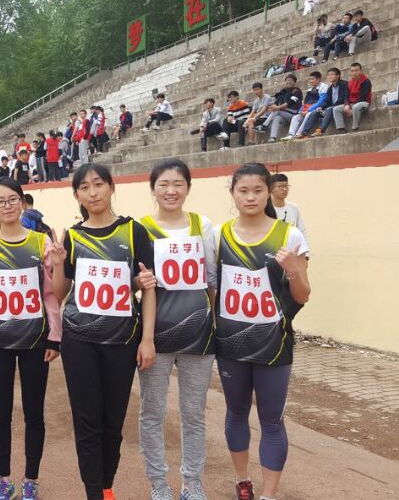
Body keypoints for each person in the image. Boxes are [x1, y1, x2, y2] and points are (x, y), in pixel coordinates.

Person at [55, 163, 156, 500]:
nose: (93, 192)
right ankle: (94, 493)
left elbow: (147, 287)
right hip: (79, 340)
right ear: (77, 195)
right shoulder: (72, 236)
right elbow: (59, 293)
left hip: (121, 339)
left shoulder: (133, 231)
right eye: (84, 187)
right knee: (87, 421)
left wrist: (147, 339)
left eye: (98, 184)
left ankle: (106, 485)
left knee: (113, 422)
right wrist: (57, 263)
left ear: (112, 187)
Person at [214, 163, 311, 500]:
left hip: (274, 345)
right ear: (233, 194)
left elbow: (303, 295)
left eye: (258, 190)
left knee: (271, 420)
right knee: (236, 413)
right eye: (243, 191)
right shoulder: (219, 235)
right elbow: (212, 289)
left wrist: (293, 270)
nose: (251, 197)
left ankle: (269, 494)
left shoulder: (289, 235)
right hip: (230, 344)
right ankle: (242, 481)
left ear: (269, 192)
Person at [0, 177, 62, 500]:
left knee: (34, 413)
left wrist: (55, 337)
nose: (7, 206)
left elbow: (50, 294)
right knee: (0, 412)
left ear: (23, 202)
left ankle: (31, 479)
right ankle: (3, 480)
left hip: (35, 340)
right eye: (0, 201)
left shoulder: (41, 243)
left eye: (12, 200)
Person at [136, 160, 218, 500]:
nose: (171, 191)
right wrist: (146, 338)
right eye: (164, 184)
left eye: (178, 184)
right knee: (152, 412)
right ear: (153, 189)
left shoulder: (202, 225)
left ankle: (192, 482)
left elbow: (211, 280)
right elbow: (138, 285)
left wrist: (213, 321)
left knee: (193, 414)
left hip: (199, 336)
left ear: (188, 188)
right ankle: (159, 484)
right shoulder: (140, 229)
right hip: (156, 336)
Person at [282, 72, 328, 141]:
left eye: (312, 79)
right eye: (310, 79)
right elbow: (305, 103)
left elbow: (321, 102)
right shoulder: (310, 90)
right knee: (295, 117)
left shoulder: (324, 87)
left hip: (321, 109)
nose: (311, 81)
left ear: (318, 79)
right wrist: (301, 110)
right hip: (309, 109)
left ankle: (300, 133)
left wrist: (308, 110)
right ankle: (291, 135)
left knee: (308, 114)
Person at [305, 68, 350, 137]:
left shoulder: (344, 84)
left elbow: (343, 98)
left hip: (341, 105)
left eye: (332, 74)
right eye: (328, 75)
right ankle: (304, 132)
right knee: (315, 112)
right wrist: (321, 107)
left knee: (330, 109)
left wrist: (332, 106)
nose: (330, 76)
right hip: (332, 107)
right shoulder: (330, 88)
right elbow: (328, 101)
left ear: (338, 76)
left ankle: (321, 130)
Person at [331, 63, 372, 133]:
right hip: (351, 104)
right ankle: (341, 128)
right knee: (336, 109)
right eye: (352, 71)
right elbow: (346, 95)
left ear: (361, 71)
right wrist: (347, 104)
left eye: (356, 70)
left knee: (356, 107)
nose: (354, 73)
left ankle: (355, 127)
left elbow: (363, 97)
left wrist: (351, 109)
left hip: (363, 103)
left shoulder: (366, 81)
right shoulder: (349, 83)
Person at [270, 175, 308, 247]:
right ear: (271, 189)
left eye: (286, 186)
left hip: (292, 251)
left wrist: (305, 251)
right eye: (280, 186)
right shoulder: (265, 209)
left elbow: (302, 231)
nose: (285, 189)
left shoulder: (294, 208)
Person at [265, 75, 303, 143]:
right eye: (287, 80)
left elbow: (290, 102)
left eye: (291, 80)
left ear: (294, 82)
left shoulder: (297, 91)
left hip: (294, 113)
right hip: (285, 114)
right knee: (276, 117)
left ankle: (264, 125)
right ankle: (273, 137)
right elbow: (276, 102)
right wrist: (273, 107)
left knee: (277, 111)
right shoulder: (283, 92)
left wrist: (277, 108)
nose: (289, 82)